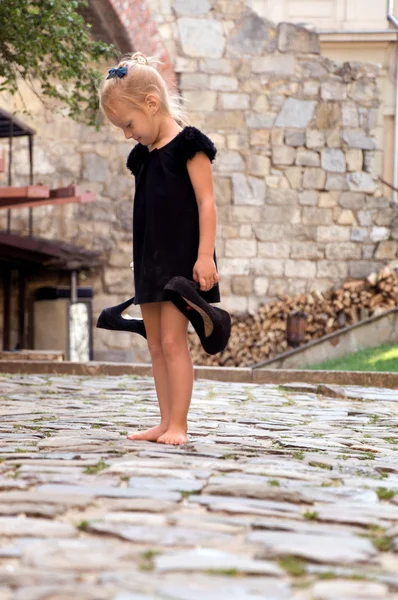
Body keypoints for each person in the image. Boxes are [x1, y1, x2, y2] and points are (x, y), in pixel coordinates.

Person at [100, 52, 221, 445]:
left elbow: (207, 203)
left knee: (172, 342)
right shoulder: (142, 159)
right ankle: (164, 420)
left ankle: (179, 424)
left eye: (128, 123)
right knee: (154, 345)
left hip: (181, 263)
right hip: (150, 263)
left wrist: (205, 256)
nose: (127, 134)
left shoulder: (190, 146)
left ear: (151, 103)